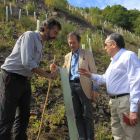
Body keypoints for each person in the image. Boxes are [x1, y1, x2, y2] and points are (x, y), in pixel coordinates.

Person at [0, 18, 61, 140]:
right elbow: (27, 62)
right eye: (55, 32)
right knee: (7, 117)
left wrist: (54, 71)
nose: (56, 36)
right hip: (10, 78)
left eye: (57, 34)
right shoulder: (30, 36)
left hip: (24, 80)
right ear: (47, 28)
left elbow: (32, 65)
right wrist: (47, 75)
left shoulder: (41, 44)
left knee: (24, 115)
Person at [79, 33, 140, 140]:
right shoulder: (114, 61)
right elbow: (104, 79)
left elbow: (136, 81)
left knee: (131, 135)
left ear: (114, 44)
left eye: (106, 44)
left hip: (126, 102)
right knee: (118, 135)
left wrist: (133, 109)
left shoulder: (128, 56)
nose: (104, 48)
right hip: (115, 102)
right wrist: (90, 75)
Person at [50, 31, 99, 140]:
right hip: (71, 87)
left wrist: (95, 88)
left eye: (74, 42)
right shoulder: (67, 56)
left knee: (87, 115)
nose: (72, 45)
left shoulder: (87, 53)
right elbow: (64, 69)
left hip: (85, 87)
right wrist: (56, 69)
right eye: (70, 43)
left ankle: (90, 138)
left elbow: (94, 71)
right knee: (77, 115)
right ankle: (82, 138)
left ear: (79, 41)